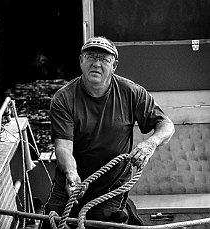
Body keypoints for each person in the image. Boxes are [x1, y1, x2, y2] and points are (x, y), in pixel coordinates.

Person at [40, 36, 175, 228]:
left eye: (104, 59)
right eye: (90, 57)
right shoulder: (64, 98)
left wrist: (150, 144)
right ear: (81, 61)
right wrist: (71, 173)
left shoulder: (131, 92)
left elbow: (166, 125)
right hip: (72, 178)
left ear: (114, 65)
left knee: (104, 222)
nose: (96, 63)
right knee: (53, 220)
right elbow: (63, 147)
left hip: (113, 182)